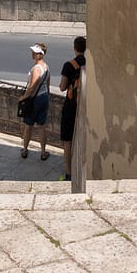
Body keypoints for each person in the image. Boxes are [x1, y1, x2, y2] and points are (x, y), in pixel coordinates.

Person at [58, 35, 86, 181]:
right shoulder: (89, 64)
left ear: (74, 48)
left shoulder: (68, 65)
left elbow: (62, 87)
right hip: (85, 107)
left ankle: (69, 173)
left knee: (67, 141)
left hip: (71, 108)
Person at [18, 43, 51, 160]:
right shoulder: (46, 67)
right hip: (44, 96)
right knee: (42, 126)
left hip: (34, 99)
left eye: (35, 52)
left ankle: (25, 150)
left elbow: (32, 86)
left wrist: (24, 97)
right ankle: (43, 152)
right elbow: (47, 84)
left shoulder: (36, 68)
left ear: (40, 55)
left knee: (28, 126)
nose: (32, 54)